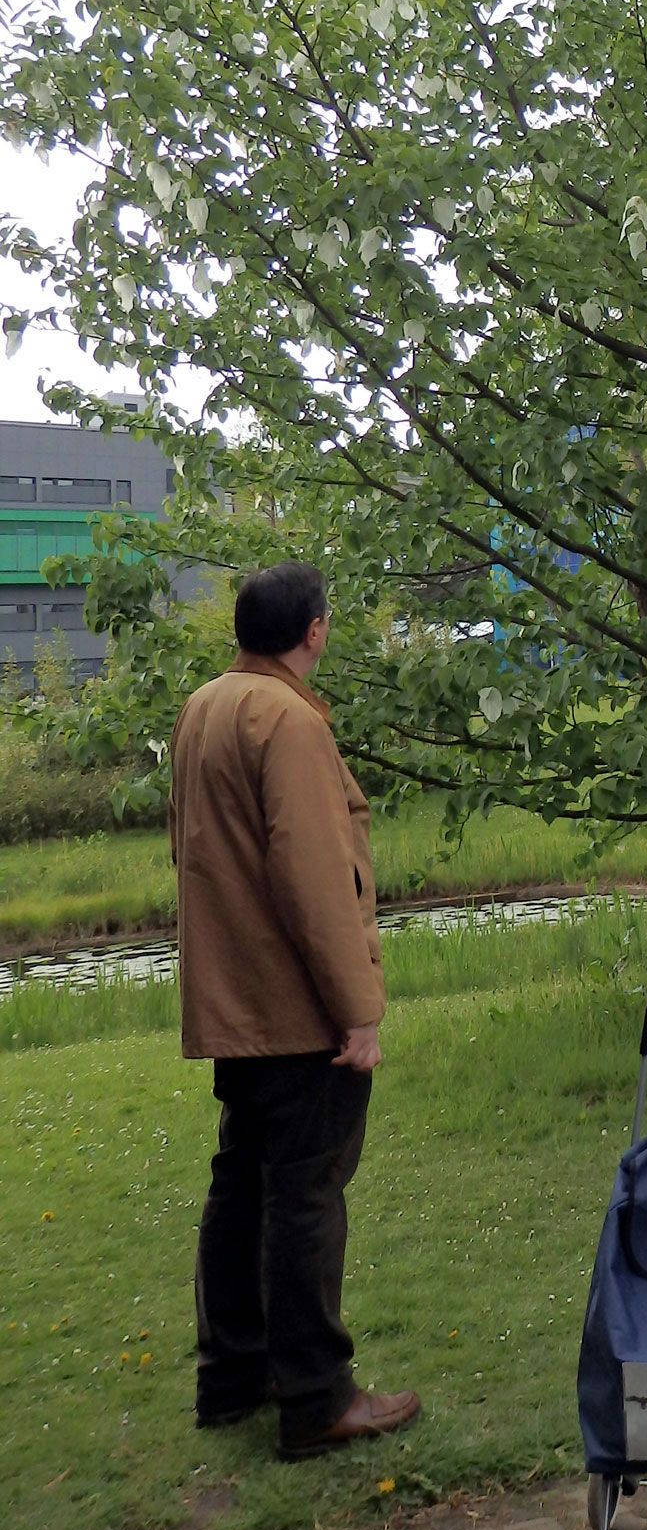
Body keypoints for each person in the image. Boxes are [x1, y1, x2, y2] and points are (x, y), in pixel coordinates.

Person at [170, 562, 420, 1460]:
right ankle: (317, 1397)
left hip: (235, 1000)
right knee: (306, 1193)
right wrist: (358, 1010)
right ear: (314, 631)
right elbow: (317, 881)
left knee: (241, 1184)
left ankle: (233, 1375)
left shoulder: (203, 707)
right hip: (294, 1008)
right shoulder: (289, 721)